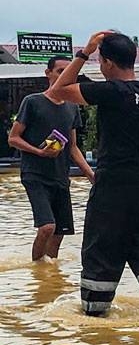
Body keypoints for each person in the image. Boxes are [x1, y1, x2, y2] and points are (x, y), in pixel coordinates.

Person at [47, 31, 139, 315]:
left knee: (101, 247)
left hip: (117, 183)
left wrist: (83, 54)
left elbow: (57, 91)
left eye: (99, 60)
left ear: (107, 63)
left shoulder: (111, 91)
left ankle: (95, 319)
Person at [8, 55, 94, 261]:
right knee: (47, 227)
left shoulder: (72, 106)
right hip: (35, 175)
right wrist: (39, 152)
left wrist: (91, 174)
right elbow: (13, 138)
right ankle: (38, 269)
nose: (64, 75)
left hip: (60, 177)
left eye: (68, 71)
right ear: (48, 74)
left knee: (59, 233)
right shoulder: (33, 102)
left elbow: (73, 147)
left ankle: (50, 276)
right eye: (59, 71)